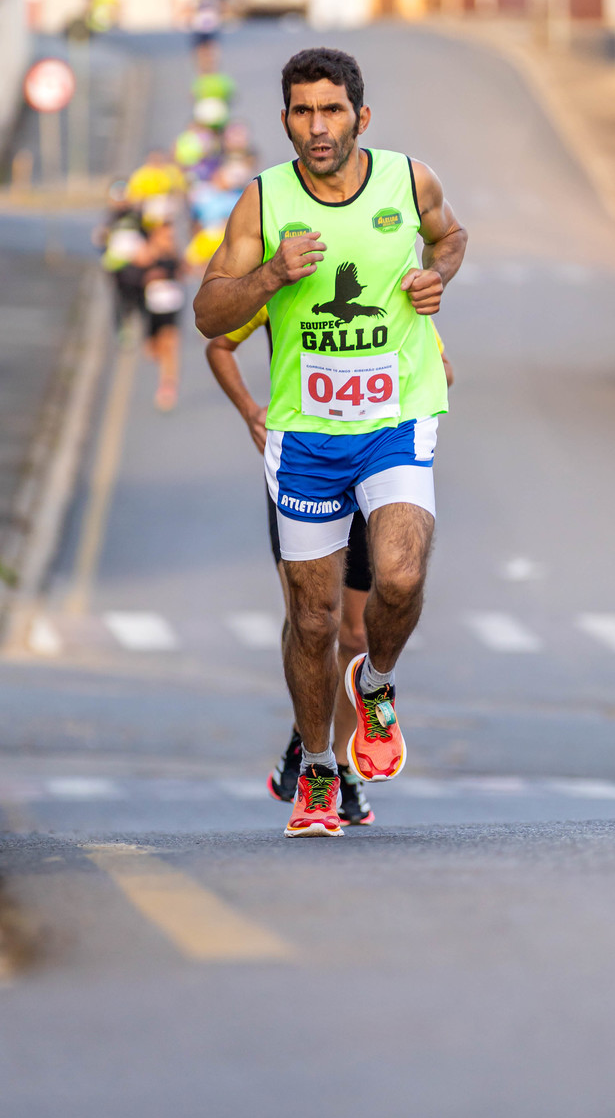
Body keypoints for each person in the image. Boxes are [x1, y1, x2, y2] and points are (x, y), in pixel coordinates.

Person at [194, 45, 467, 838]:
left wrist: (438, 276)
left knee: (400, 576)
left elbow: (451, 237)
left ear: (361, 116)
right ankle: (318, 768)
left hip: (395, 421)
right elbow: (210, 318)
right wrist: (270, 276)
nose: (318, 127)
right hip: (307, 437)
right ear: (285, 121)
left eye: (332, 110)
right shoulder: (263, 203)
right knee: (312, 623)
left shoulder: (410, 182)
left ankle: (374, 684)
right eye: (303, 112)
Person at [205, 307, 456, 827]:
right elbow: (218, 343)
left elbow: (443, 368)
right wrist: (251, 411)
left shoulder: (388, 283)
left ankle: (340, 763)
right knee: (310, 620)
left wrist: (396, 380)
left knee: (356, 633)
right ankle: (312, 742)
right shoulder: (280, 282)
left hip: (375, 459)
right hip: (304, 457)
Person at [141, 222, 184, 411]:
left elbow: (183, 272)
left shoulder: (174, 255)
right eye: (165, 236)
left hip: (171, 306)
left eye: (171, 236)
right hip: (153, 308)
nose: (169, 240)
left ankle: (168, 386)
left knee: (170, 346)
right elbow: (136, 275)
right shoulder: (147, 253)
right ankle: (166, 381)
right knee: (153, 351)